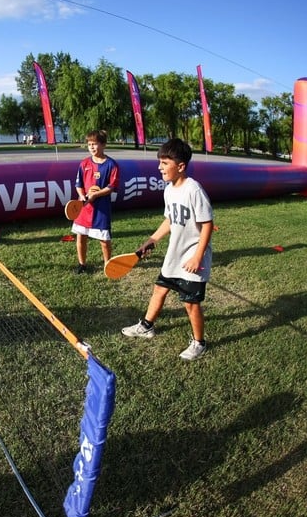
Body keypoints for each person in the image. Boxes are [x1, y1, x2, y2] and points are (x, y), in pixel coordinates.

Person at [121, 138, 213, 361]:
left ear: (180, 166)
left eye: (164, 163)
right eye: (159, 162)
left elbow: (208, 225)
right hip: (174, 256)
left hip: (192, 259)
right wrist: (151, 239)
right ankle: (146, 326)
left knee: (190, 303)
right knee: (159, 290)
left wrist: (197, 257)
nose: (159, 167)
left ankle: (199, 343)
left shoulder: (194, 190)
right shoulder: (169, 190)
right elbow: (170, 220)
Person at [71, 130, 120, 274]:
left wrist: (95, 195)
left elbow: (112, 186)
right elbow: (78, 184)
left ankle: (108, 265)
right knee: (81, 236)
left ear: (103, 144)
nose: (92, 147)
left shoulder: (112, 165)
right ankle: (82, 264)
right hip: (84, 208)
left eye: (95, 144)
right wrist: (82, 195)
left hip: (101, 208)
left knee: (104, 241)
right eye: (89, 144)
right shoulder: (84, 163)